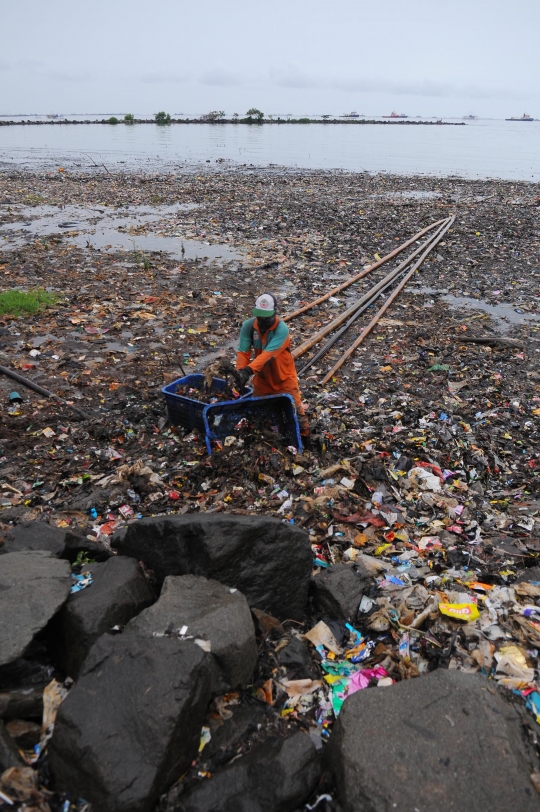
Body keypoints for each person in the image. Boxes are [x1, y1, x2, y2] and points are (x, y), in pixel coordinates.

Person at [235, 293, 310, 438]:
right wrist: (240, 372)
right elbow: (243, 352)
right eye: (260, 317)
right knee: (258, 415)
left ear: (275, 313)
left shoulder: (281, 329)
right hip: (263, 380)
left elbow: (267, 355)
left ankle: (306, 442)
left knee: (298, 415)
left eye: (266, 318)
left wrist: (248, 370)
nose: (263, 322)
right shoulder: (248, 326)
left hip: (284, 379)